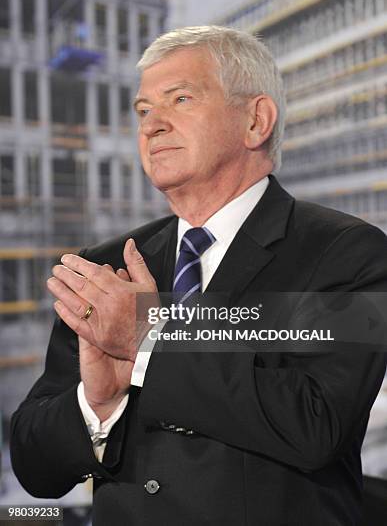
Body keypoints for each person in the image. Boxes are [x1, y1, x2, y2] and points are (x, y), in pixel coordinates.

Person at [10, 26, 387, 526]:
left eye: (180, 99)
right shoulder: (106, 265)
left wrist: (148, 343)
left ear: (256, 121)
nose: (151, 127)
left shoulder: (347, 253)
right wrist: (95, 407)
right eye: (143, 111)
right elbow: (35, 469)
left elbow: (316, 425)